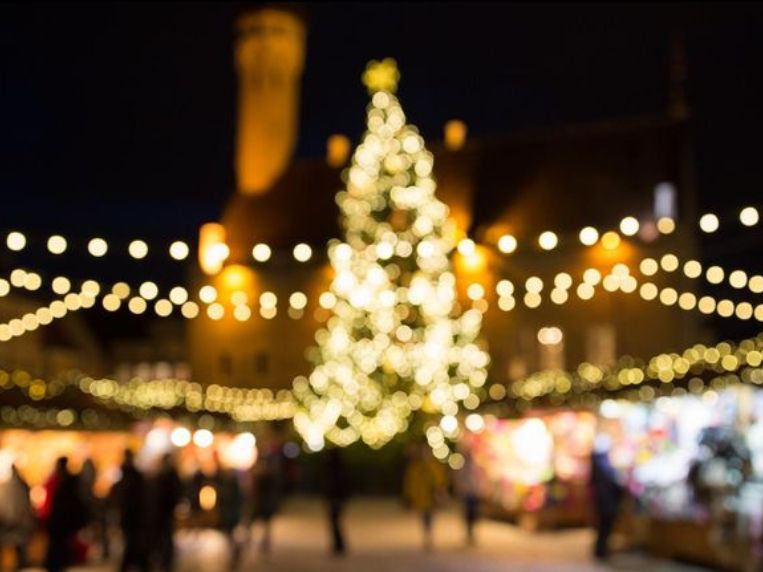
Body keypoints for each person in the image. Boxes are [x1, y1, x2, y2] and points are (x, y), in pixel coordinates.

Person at [43, 456, 87, 572]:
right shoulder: (68, 479)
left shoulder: (57, 480)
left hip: (58, 519)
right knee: (61, 545)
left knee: (57, 546)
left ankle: (56, 564)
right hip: (63, 520)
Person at [403, 442, 448, 550]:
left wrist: (440, 490)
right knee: (425, 517)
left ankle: (428, 535)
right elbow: (411, 483)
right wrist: (409, 495)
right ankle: (427, 534)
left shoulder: (434, 465)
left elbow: (441, 480)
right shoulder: (415, 467)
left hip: (431, 496)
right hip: (421, 496)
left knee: (429, 516)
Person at [112, 449, 149, 572]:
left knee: (131, 541)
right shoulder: (135, 476)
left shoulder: (127, 476)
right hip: (133, 516)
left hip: (130, 515)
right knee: (133, 541)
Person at [590, 433, 623, 560]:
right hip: (605, 500)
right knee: (604, 526)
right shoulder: (601, 461)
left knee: (603, 526)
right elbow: (610, 480)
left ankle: (601, 549)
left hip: (602, 500)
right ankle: (601, 550)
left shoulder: (597, 460)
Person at [0, 455, 35, 571]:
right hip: (17, 523)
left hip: (12, 523)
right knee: (20, 551)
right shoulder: (22, 486)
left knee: (18, 550)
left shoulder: (8, 486)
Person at [149, 453, 182, 571]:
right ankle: (164, 561)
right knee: (164, 537)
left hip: (164, 512)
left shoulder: (167, 476)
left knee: (165, 537)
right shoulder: (166, 475)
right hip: (163, 512)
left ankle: (165, 561)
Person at [250, 445, 284, 554]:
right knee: (264, 525)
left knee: (259, 524)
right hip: (265, 502)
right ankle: (262, 544)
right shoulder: (272, 474)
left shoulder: (264, 474)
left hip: (262, 502)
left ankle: (260, 544)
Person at [214, 459, 243, 569]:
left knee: (229, 533)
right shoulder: (231, 482)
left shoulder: (229, 483)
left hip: (230, 513)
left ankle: (236, 549)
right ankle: (236, 549)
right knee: (228, 534)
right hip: (231, 512)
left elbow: (229, 497)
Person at [323, 447, 349, 556]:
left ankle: (339, 545)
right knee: (336, 522)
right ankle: (339, 544)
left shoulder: (335, 471)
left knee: (335, 522)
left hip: (335, 499)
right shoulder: (340, 469)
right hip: (338, 498)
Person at [454, 446, 480, 546]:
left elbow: (478, 480)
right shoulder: (462, 467)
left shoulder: (475, 466)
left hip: (473, 493)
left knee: (473, 515)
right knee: (468, 515)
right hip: (467, 494)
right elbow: (460, 480)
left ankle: (471, 533)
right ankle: (469, 533)